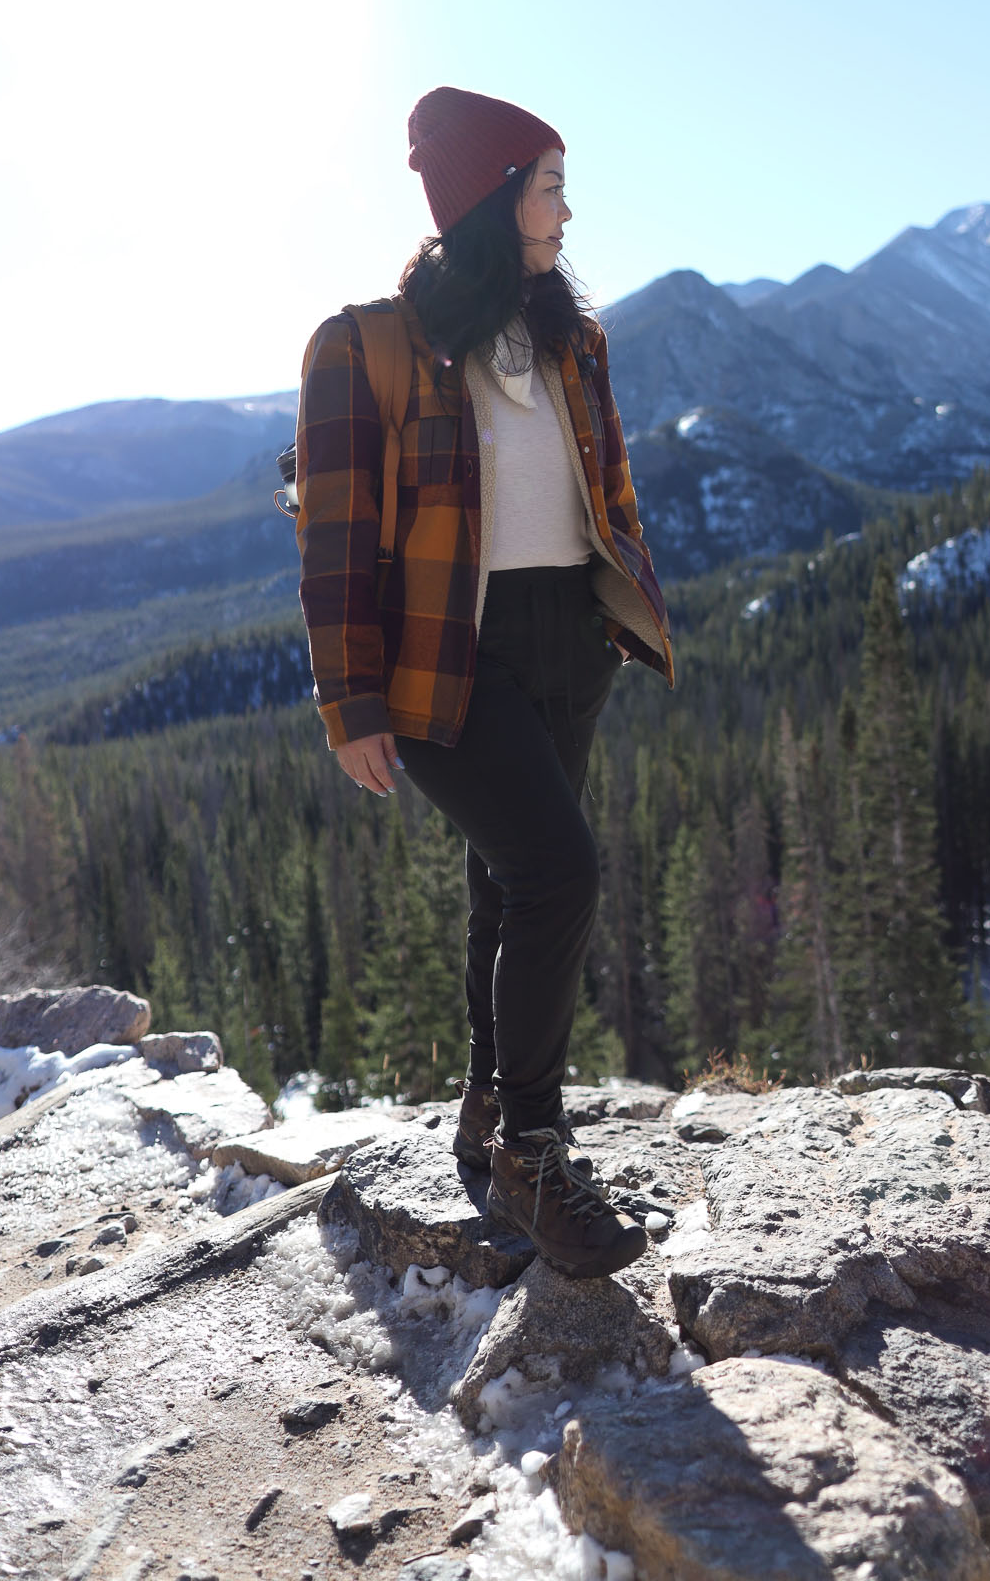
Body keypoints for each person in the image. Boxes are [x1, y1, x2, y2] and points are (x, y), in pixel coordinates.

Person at [294, 85, 674, 1279]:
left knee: (507, 887)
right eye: (550, 184)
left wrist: (621, 611)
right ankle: (534, 1148)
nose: (568, 208)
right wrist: (350, 703)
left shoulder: (574, 336)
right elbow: (338, 538)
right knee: (559, 869)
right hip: (444, 654)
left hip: (569, 635)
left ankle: (482, 1104)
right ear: (492, 200)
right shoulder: (366, 345)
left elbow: (601, 489)